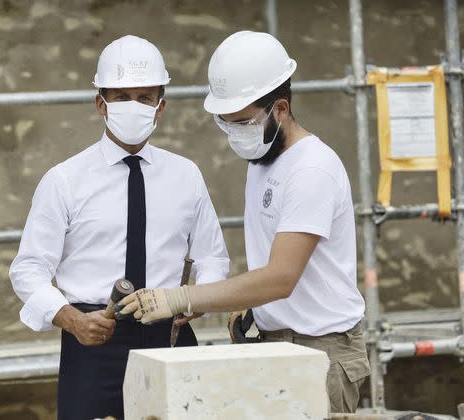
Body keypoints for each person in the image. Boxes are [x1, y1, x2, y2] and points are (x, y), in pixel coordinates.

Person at [116, 31, 370, 414]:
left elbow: (281, 278)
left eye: (243, 122)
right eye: (226, 122)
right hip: (279, 341)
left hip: (323, 352)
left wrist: (180, 296)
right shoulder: (265, 159)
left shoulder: (311, 169)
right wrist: (253, 309)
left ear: (280, 109)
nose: (235, 133)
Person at [9, 35, 229, 420]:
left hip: (170, 335)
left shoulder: (186, 175)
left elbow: (212, 256)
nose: (134, 106)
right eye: (121, 96)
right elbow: (28, 270)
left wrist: (197, 299)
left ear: (161, 107)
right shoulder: (64, 181)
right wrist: (71, 319)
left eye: (145, 98)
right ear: (101, 104)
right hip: (94, 339)